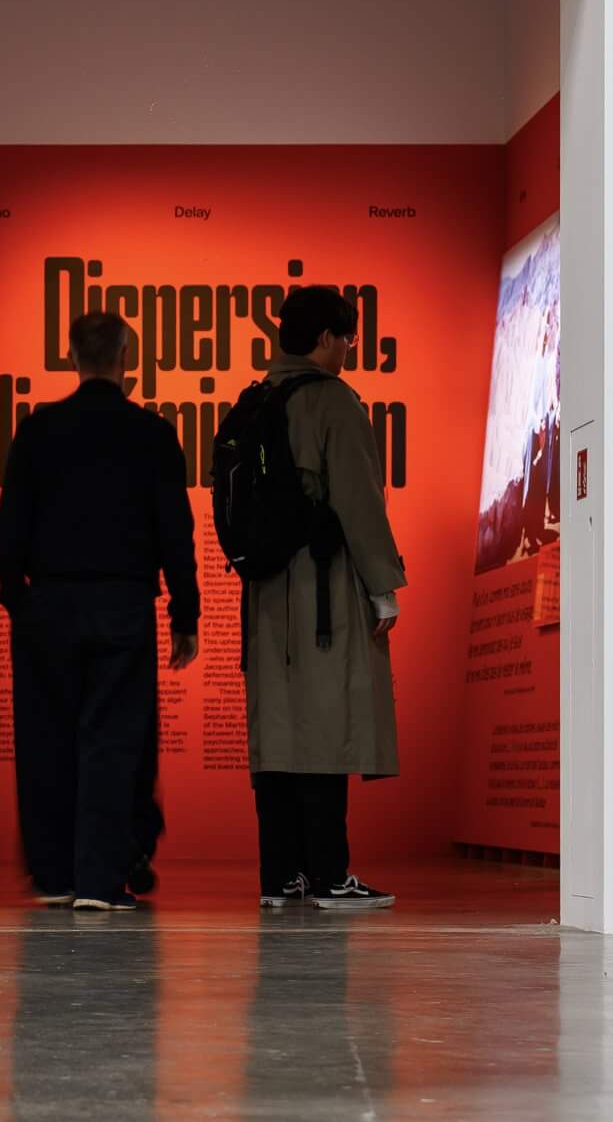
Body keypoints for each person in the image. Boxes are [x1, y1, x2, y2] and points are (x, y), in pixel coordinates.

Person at [0, 310, 200, 911]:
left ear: (73, 357)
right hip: (122, 602)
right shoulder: (153, 434)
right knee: (113, 741)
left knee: (45, 738)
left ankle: (54, 874)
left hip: (49, 602)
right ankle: (100, 880)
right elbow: (175, 532)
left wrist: (17, 597)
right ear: (126, 357)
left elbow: (12, 525)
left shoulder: (37, 430)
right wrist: (184, 613)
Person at [246, 285, 405, 913]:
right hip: (324, 591)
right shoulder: (333, 403)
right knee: (327, 725)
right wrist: (383, 589)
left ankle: (280, 878)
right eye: (346, 339)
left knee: (279, 732)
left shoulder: (257, 400)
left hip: (265, 596)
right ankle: (331, 874)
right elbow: (361, 505)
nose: (348, 351)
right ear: (324, 340)